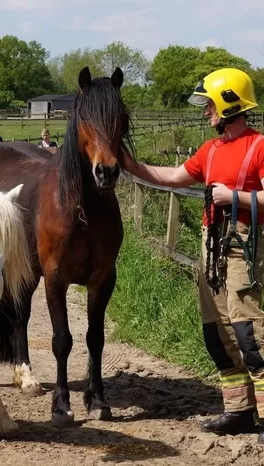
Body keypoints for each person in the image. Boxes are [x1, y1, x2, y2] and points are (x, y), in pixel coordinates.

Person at [120, 68, 264, 443]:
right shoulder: (211, 150)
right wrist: (127, 164)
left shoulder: (259, 146)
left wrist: (233, 197)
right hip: (211, 245)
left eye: (211, 105)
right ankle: (239, 410)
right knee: (216, 331)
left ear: (231, 103)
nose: (206, 113)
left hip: (243, 247)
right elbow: (172, 176)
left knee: (249, 331)